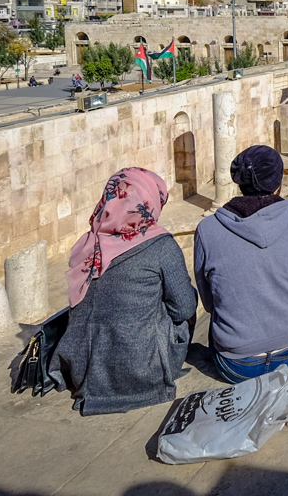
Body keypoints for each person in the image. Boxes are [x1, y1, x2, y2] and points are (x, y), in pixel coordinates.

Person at [52, 168, 198, 415]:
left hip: (85, 369)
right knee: (187, 298)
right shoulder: (161, 246)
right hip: (143, 371)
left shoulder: (88, 244)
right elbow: (183, 309)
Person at [194, 145, 288, 384]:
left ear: (239, 183)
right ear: (278, 182)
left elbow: (210, 302)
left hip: (237, 366)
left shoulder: (207, 230)